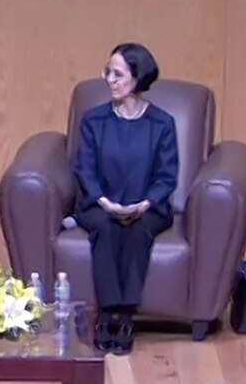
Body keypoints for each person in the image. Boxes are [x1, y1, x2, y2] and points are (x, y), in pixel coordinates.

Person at [73, 42, 178, 355]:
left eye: (118, 74)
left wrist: (145, 204)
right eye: (108, 72)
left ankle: (126, 316)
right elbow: (85, 169)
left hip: (149, 207)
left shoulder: (162, 124)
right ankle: (108, 315)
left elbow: (166, 176)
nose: (110, 80)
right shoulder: (94, 120)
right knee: (106, 228)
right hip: (100, 204)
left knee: (137, 230)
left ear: (137, 78)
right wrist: (104, 202)